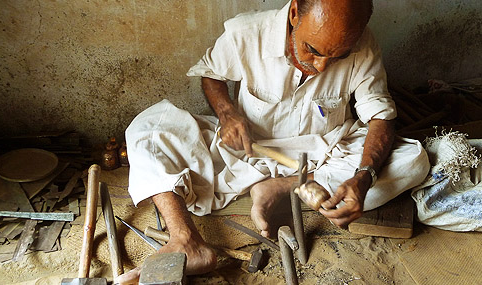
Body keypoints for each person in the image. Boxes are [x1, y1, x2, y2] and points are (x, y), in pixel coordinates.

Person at [117, 0, 430, 281]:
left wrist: (363, 177)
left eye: (338, 56)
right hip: (246, 149)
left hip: (323, 154)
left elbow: (380, 118)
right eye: (314, 50)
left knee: (413, 159)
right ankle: (185, 239)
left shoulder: (363, 44)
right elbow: (212, 74)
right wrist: (227, 114)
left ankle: (281, 187)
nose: (321, 66)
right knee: (147, 129)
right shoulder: (246, 31)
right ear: (294, 14)